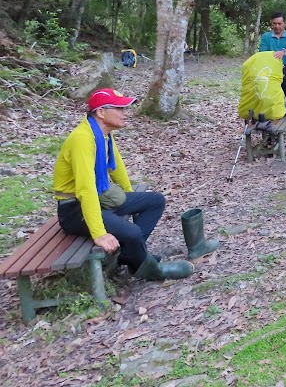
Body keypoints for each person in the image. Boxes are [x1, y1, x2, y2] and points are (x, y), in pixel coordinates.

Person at [53, 88, 195, 280]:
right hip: (74, 211)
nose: (124, 114)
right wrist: (99, 233)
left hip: (100, 199)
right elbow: (86, 190)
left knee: (155, 201)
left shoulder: (103, 133)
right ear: (101, 112)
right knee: (133, 232)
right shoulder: (82, 139)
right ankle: (147, 270)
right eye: (118, 109)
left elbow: (116, 167)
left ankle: (132, 256)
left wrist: (131, 199)